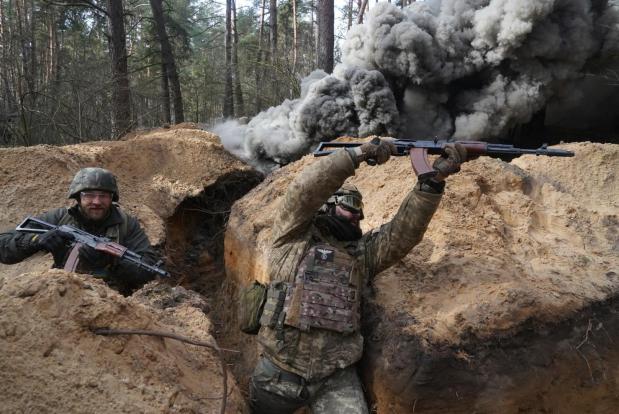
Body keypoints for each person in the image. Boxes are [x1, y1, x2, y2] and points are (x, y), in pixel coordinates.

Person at [249, 138, 467, 413]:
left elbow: (402, 234)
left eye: (360, 211)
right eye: (350, 205)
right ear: (327, 203)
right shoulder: (290, 237)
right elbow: (304, 191)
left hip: (336, 379)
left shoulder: (361, 254)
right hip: (278, 372)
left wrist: (433, 182)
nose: (357, 215)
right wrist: (356, 155)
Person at [0, 167, 161, 294]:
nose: (96, 201)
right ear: (78, 197)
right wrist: (35, 241)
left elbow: (148, 269)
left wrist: (112, 263)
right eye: (89, 195)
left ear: (112, 198)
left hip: (111, 303)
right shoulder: (60, 218)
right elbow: (3, 245)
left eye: (103, 195)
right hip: (61, 294)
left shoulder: (126, 224)